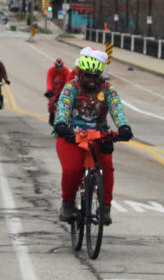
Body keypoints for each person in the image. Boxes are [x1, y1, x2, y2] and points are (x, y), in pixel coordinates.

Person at [52, 48, 133, 225]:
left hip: (99, 135)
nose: (91, 80)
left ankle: (105, 208)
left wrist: (123, 126)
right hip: (71, 136)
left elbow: (117, 109)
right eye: (87, 75)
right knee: (72, 170)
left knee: (107, 168)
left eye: (95, 76)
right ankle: (67, 204)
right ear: (81, 73)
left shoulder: (108, 90)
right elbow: (63, 107)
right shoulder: (71, 87)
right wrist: (61, 124)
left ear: (101, 76)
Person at [44, 57, 72, 122]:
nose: (59, 69)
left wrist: (65, 90)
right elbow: (49, 80)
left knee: (65, 103)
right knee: (51, 103)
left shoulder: (66, 70)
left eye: (60, 67)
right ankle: (51, 115)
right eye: (57, 67)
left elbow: (68, 81)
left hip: (61, 90)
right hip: (53, 90)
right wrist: (49, 90)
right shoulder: (51, 70)